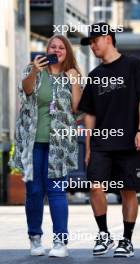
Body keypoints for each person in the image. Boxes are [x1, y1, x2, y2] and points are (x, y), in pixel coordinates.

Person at [78, 22, 140, 258]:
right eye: (90, 42)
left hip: (129, 140)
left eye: (94, 40)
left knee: (128, 190)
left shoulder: (132, 65)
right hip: (101, 143)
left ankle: (127, 240)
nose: (92, 45)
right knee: (95, 187)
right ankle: (104, 235)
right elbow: (89, 114)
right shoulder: (94, 76)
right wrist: (89, 147)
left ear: (108, 38)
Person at [10, 35, 82, 257]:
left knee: (57, 192)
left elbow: (77, 109)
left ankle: (61, 243)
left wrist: (74, 82)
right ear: (47, 49)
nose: (57, 50)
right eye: (53, 46)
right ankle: (35, 239)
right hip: (32, 142)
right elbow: (27, 90)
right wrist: (34, 71)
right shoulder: (33, 70)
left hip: (58, 144)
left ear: (67, 52)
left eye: (61, 47)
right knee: (34, 191)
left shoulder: (73, 75)